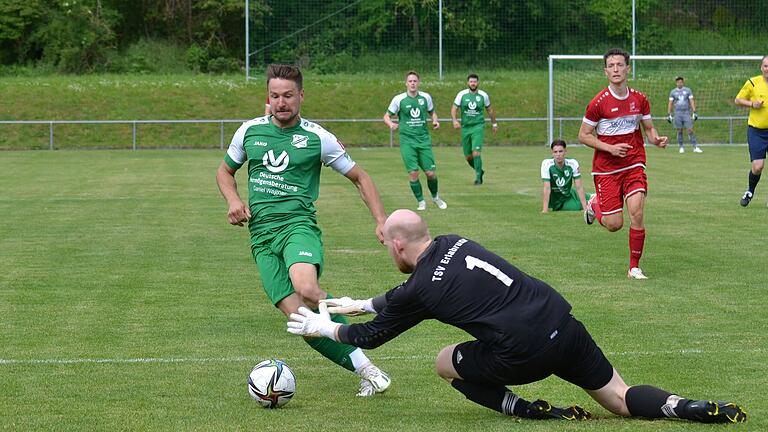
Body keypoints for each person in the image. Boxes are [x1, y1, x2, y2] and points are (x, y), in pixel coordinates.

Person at [286, 209, 747, 424]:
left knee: (445, 361)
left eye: (387, 245)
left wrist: (321, 325)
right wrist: (365, 301)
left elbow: (371, 337)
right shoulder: (454, 241)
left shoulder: (422, 288)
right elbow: (405, 294)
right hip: (561, 323)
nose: (388, 251)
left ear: (398, 244)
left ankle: (526, 410)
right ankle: (684, 406)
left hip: (523, 352)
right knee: (621, 399)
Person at [216, 64, 391, 397]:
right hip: (261, 237)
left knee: (308, 290)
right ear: (268, 97)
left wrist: (380, 220)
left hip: (298, 227)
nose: (281, 102)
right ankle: (368, 370)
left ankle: (356, 315)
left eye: (288, 96)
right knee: (300, 320)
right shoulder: (249, 131)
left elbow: (360, 177)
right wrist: (233, 199)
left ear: (301, 96)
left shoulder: (317, 137)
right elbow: (225, 172)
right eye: (275, 96)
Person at [578, 48, 668, 280]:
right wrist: (610, 148)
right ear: (605, 71)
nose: (616, 69)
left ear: (628, 68)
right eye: (611, 66)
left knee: (637, 213)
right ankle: (594, 205)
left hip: (634, 164)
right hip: (606, 169)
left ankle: (634, 267)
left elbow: (648, 128)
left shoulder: (639, 99)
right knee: (614, 224)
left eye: (620, 65)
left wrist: (656, 139)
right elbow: (584, 135)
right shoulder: (598, 103)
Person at [384, 70, 447, 211]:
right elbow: (386, 116)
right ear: (406, 83)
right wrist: (391, 124)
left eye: (415, 81)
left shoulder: (425, 98)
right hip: (407, 142)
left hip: (423, 140)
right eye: (410, 81)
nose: (412, 83)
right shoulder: (399, 99)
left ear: (418, 83)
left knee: (430, 173)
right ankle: (421, 202)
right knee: (413, 173)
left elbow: (432, 112)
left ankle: (436, 197)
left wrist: (435, 121)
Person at [451, 73, 498, 185]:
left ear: (478, 83)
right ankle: (479, 171)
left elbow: (489, 110)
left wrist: (494, 123)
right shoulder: (461, 94)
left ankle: (478, 178)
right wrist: (454, 120)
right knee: (468, 157)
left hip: (478, 127)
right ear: (468, 83)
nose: (473, 83)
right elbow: (454, 108)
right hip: (465, 128)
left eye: (475, 81)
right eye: (471, 81)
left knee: (476, 152)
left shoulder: (483, 95)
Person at [734, 55, 768, 207]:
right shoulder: (753, 82)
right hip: (757, 131)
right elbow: (738, 100)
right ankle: (750, 191)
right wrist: (752, 104)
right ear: (761, 67)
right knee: (757, 166)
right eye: (766, 66)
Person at [541, 139, 591, 213]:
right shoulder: (546, 164)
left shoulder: (573, 163)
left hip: (570, 193)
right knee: (582, 205)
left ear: (565, 151)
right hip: (558, 200)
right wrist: (545, 210)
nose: (558, 154)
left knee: (594, 197)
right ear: (552, 153)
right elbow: (547, 188)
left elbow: (579, 187)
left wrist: (585, 209)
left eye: (560, 151)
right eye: (555, 152)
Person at [667, 76, 701, 153]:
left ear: (683, 82)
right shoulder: (673, 92)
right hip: (677, 113)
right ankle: (681, 147)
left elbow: (691, 100)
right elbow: (670, 103)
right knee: (679, 130)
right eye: (678, 82)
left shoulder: (687, 90)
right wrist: (669, 114)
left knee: (690, 129)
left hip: (686, 113)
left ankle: (695, 147)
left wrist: (694, 111)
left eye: (681, 82)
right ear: (676, 83)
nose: (679, 83)